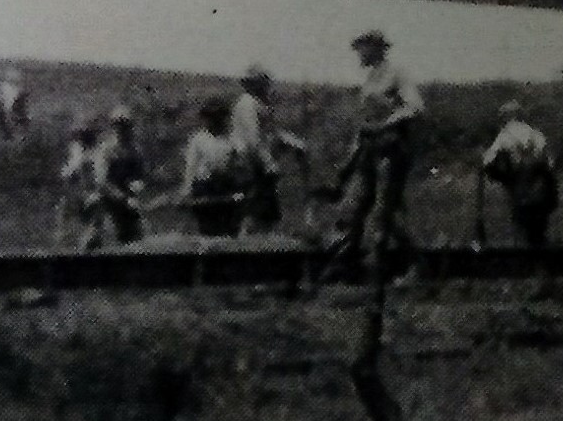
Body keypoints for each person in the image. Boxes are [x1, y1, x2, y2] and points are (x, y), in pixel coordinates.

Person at [325, 29, 424, 273]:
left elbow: (415, 107)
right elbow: (365, 123)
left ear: (376, 48)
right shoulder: (370, 78)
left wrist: (386, 123)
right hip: (369, 151)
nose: (359, 53)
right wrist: (350, 160)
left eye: (362, 48)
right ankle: (347, 264)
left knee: (385, 211)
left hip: (390, 151)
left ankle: (414, 265)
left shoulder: (396, 73)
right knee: (354, 206)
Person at [230, 65, 308, 231]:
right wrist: (268, 162)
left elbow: (271, 133)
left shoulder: (261, 104)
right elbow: (253, 138)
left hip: (258, 164)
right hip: (249, 163)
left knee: (265, 211)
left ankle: (261, 240)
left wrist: (294, 143)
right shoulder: (247, 104)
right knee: (253, 209)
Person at [481, 103, 559, 248]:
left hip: (520, 188)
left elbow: (487, 161)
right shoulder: (537, 135)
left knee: (522, 231)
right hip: (541, 190)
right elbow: (550, 164)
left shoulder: (505, 135)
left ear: (506, 117)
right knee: (539, 233)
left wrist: (502, 178)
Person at [179, 96, 248, 237]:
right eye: (211, 117)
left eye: (219, 116)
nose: (215, 121)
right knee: (208, 228)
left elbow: (241, 164)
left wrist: (241, 187)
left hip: (227, 187)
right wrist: (187, 190)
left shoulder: (233, 139)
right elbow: (191, 167)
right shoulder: (198, 139)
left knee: (230, 229)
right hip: (205, 188)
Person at [89, 107, 148, 246]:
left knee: (136, 239)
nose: (121, 129)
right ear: (113, 127)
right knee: (100, 237)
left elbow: (140, 175)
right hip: (108, 201)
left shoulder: (135, 150)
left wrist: (137, 187)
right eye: (118, 125)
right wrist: (124, 198)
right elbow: (102, 182)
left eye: (125, 125)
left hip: (129, 201)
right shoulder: (105, 150)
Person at [58, 120, 105, 248]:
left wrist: (93, 192)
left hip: (90, 193)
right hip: (78, 193)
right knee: (70, 216)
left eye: (81, 138)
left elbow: (99, 177)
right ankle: (72, 239)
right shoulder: (77, 153)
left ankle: (91, 238)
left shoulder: (95, 155)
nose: (78, 142)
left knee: (93, 215)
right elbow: (68, 173)